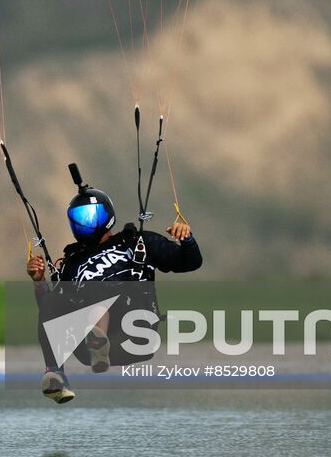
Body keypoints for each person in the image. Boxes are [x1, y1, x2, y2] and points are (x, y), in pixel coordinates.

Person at [27, 170, 202, 403]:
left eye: (92, 216)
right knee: (56, 298)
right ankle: (55, 373)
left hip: (135, 333)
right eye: (80, 218)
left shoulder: (137, 242)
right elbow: (52, 318)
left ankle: (98, 340)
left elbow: (191, 262)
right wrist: (39, 282)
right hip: (88, 349)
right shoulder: (72, 264)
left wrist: (186, 239)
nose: (87, 223)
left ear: (107, 215)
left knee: (97, 287)